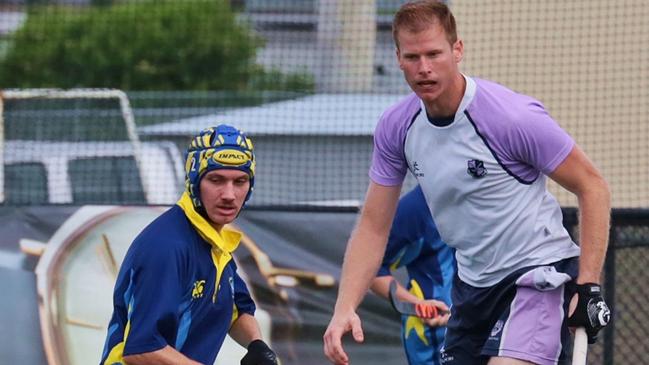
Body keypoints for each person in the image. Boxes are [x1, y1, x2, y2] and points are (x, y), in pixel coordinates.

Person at [323, 1, 611, 365]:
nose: (424, 68)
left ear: (457, 50)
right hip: (472, 288)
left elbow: (593, 186)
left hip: (538, 274)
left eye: (434, 54)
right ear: (397, 58)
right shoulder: (396, 127)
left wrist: (587, 286)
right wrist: (344, 307)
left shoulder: (511, 117)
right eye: (412, 57)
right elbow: (373, 224)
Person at [100, 124, 278, 365]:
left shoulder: (216, 242)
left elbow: (236, 309)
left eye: (240, 181)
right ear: (194, 182)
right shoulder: (166, 247)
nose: (229, 194)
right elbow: (141, 350)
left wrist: (257, 346)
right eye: (216, 180)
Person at [370, 185, 455, 365]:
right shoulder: (416, 208)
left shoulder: (489, 194)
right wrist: (419, 305)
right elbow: (370, 270)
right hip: (432, 338)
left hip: (484, 325)